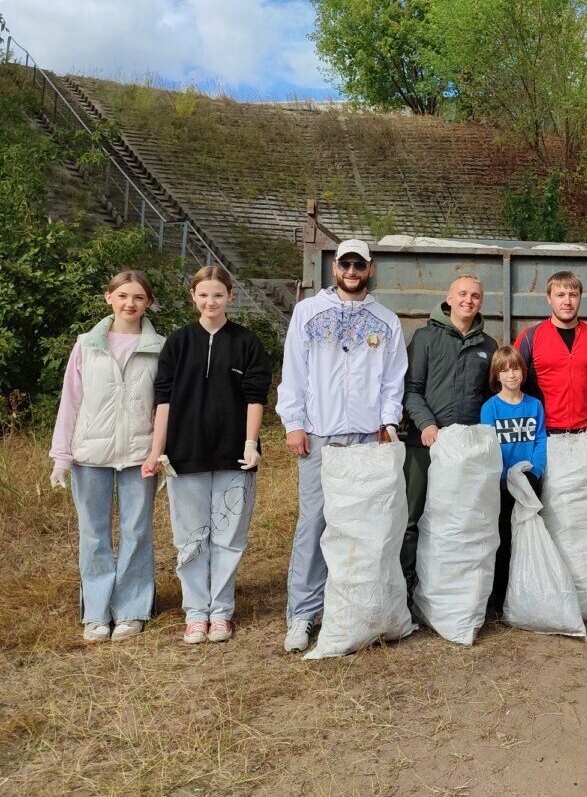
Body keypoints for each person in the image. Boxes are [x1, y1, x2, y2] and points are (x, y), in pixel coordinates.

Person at [276, 239, 408, 654]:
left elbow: (393, 380)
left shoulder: (385, 321)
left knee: (366, 525)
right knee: (314, 522)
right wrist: (294, 424)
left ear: (370, 269)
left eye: (359, 265)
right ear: (335, 267)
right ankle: (302, 612)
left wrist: (387, 423)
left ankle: (353, 607)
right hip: (320, 435)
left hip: (367, 437)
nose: (352, 271)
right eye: (345, 264)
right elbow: (294, 372)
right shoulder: (308, 313)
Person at [143, 266, 271, 645]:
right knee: (191, 537)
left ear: (230, 296)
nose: (210, 301)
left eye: (218, 294)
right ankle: (196, 612)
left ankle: (222, 612)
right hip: (186, 455)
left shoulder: (247, 342)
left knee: (229, 538)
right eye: (203, 295)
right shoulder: (179, 342)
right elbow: (163, 398)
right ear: (193, 296)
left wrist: (250, 443)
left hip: (234, 457)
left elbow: (256, 396)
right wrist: (157, 451)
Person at [50, 271, 164, 643]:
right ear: (108, 298)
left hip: (138, 455)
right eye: (122, 296)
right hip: (90, 455)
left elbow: (164, 406)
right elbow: (71, 402)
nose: (130, 303)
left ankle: (131, 609)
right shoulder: (86, 345)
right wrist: (61, 457)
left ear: (148, 303)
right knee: (94, 533)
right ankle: (97, 613)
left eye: (138, 297)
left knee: (136, 531)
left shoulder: (160, 347)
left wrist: (159, 453)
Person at [402, 274, 497, 592]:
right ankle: (406, 588)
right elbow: (411, 390)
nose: (469, 300)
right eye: (463, 294)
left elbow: (488, 399)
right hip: (424, 445)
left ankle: (449, 589)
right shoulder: (426, 337)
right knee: (413, 518)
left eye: (475, 296)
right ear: (449, 298)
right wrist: (427, 424)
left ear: (481, 302)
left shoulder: (488, 345)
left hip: (464, 454)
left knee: (460, 519)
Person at [480, 347, 547, 613]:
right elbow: (489, 447)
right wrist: (501, 479)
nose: (511, 374)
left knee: (528, 538)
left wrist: (535, 472)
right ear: (496, 375)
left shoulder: (534, 405)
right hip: (503, 487)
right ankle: (500, 600)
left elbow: (540, 439)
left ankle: (528, 595)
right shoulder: (490, 408)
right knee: (503, 541)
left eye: (515, 368)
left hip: (528, 485)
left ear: (523, 371)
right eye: (504, 369)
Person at [514, 271, 587, 437]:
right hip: (543, 434)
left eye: (573, 295)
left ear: (580, 297)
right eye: (560, 295)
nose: (567, 301)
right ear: (549, 298)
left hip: (586, 435)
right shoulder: (529, 338)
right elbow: (512, 388)